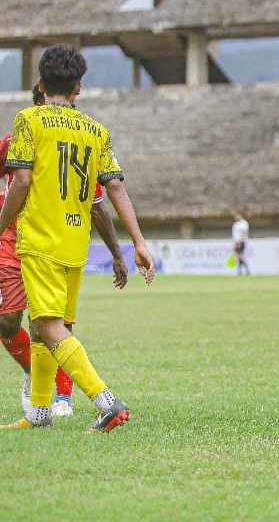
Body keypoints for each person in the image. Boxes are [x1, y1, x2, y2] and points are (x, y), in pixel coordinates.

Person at [0, 45, 154, 432]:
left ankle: (106, 402)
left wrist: (2, 224)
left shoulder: (29, 121)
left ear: (40, 83)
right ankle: (38, 413)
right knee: (47, 324)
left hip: (39, 239)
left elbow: (20, 180)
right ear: (78, 88)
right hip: (75, 244)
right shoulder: (95, 131)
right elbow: (115, 188)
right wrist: (137, 242)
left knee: (49, 326)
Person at [231, 210, 250, 276]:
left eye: (236, 215)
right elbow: (235, 235)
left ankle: (247, 270)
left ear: (240, 215)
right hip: (236, 242)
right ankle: (240, 271)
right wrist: (234, 243)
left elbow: (243, 233)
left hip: (241, 241)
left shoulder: (244, 223)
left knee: (240, 256)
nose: (235, 217)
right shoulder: (236, 224)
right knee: (238, 256)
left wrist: (239, 242)